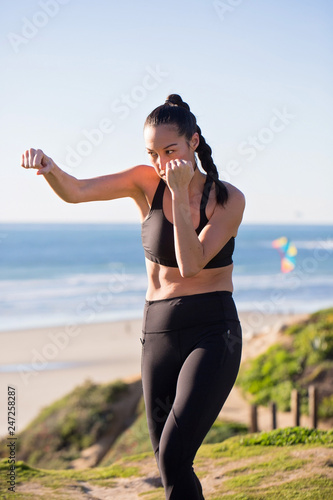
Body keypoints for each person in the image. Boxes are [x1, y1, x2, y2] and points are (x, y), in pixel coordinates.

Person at [21, 94, 245, 499]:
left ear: (194, 142)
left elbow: (190, 264)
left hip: (214, 331)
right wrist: (50, 168)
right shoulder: (145, 182)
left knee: (176, 452)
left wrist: (178, 194)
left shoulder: (227, 199)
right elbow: (76, 191)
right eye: (152, 153)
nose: (160, 163)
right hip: (158, 330)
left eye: (169, 151)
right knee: (168, 463)